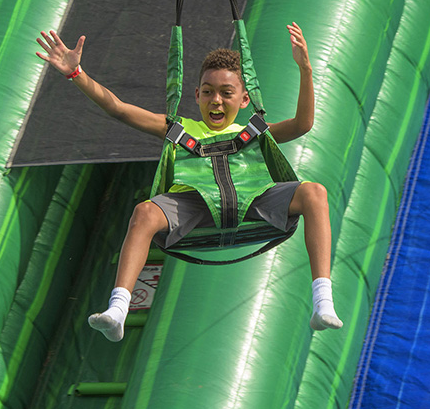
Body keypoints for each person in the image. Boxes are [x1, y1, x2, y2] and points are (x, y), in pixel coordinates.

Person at [36, 22, 343, 341]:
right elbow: (119, 109)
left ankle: (322, 301)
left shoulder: (251, 134)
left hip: (254, 202)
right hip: (192, 206)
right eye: (208, 92)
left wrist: (305, 69)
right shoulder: (180, 129)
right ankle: (118, 310)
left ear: (244, 100)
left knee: (314, 193)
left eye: (227, 93)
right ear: (196, 95)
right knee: (144, 213)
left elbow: (303, 124)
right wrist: (76, 74)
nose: (216, 101)